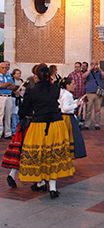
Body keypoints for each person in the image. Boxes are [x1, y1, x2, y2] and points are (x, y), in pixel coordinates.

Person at [18, 63, 75, 199]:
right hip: (56, 124)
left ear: (36, 76)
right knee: (53, 154)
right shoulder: (55, 89)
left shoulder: (32, 90)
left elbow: (23, 111)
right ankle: (53, 187)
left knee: (40, 154)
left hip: (39, 124)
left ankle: (41, 182)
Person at [2, 65, 38, 188]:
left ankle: (12, 174)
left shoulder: (30, 90)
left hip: (24, 123)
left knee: (20, 150)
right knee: (31, 151)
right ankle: (38, 180)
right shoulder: (35, 91)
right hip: (31, 125)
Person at [82, 60, 104, 130]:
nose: (94, 65)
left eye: (95, 64)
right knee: (88, 109)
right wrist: (90, 69)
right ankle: (87, 124)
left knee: (97, 109)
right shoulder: (88, 72)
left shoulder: (99, 72)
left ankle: (97, 124)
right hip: (90, 93)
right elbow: (83, 76)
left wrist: (99, 69)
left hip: (98, 93)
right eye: (93, 64)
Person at [58, 77, 87, 158]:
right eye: (73, 84)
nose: (75, 86)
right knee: (72, 136)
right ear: (67, 85)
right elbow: (65, 108)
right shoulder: (66, 95)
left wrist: (78, 100)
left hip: (69, 117)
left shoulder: (68, 94)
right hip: (67, 117)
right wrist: (76, 105)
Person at [0, 62, 16, 139]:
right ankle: (0, 132)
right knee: (1, 115)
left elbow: (13, 86)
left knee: (8, 115)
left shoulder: (9, 76)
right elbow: (0, 85)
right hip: (1, 96)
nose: (4, 69)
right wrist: (7, 84)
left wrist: (4, 85)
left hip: (9, 96)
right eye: (2, 68)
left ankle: (8, 132)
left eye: (5, 68)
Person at [11, 69, 25, 136]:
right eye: (17, 73)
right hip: (14, 101)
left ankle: (18, 129)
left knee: (19, 116)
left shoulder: (22, 81)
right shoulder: (13, 81)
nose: (19, 75)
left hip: (20, 99)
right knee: (14, 116)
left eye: (20, 73)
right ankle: (14, 130)